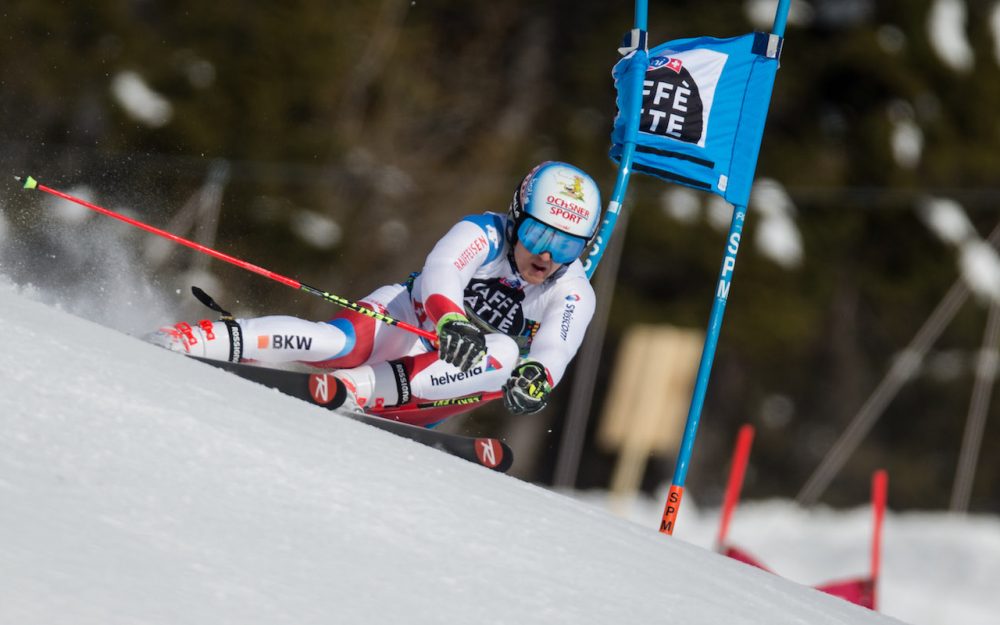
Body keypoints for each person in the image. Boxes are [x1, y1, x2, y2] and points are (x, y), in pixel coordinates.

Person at [147, 161, 601, 427]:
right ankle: (197, 338)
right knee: (335, 343)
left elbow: (555, 348)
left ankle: (356, 389)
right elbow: (441, 271)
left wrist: (537, 378)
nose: (546, 254)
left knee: (502, 351)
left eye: (566, 245)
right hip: (406, 323)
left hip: (438, 389)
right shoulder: (484, 233)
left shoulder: (574, 292)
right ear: (517, 217)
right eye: (540, 233)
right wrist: (449, 319)